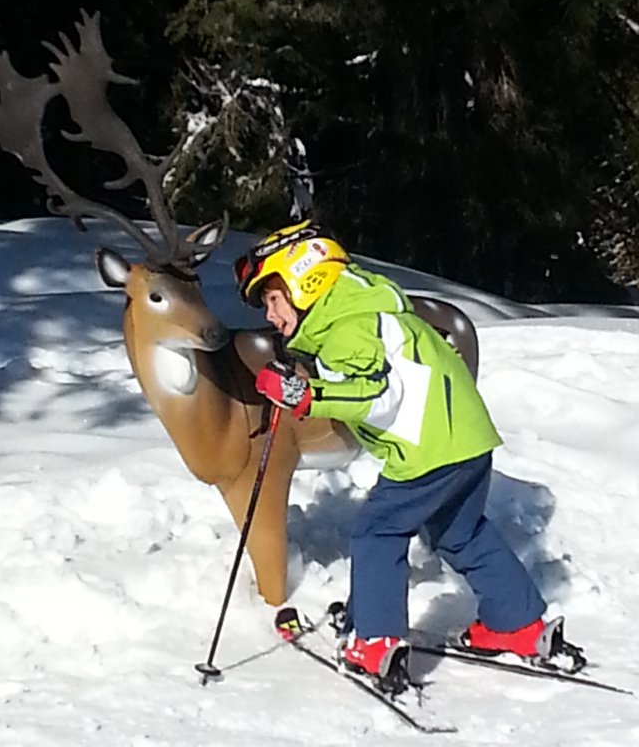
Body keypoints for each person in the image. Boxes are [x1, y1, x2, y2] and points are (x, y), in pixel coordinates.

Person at [234, 219, 552, 682]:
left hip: (427, 449)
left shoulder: (348, 325)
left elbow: (370, 391)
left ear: (306, 282)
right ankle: (518, 623)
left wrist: (304, 395)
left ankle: (376, 640)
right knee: (459, 533)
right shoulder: (364, 310)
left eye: (273, 299)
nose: (270, 315)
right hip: (467, 441)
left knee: (377, 532)